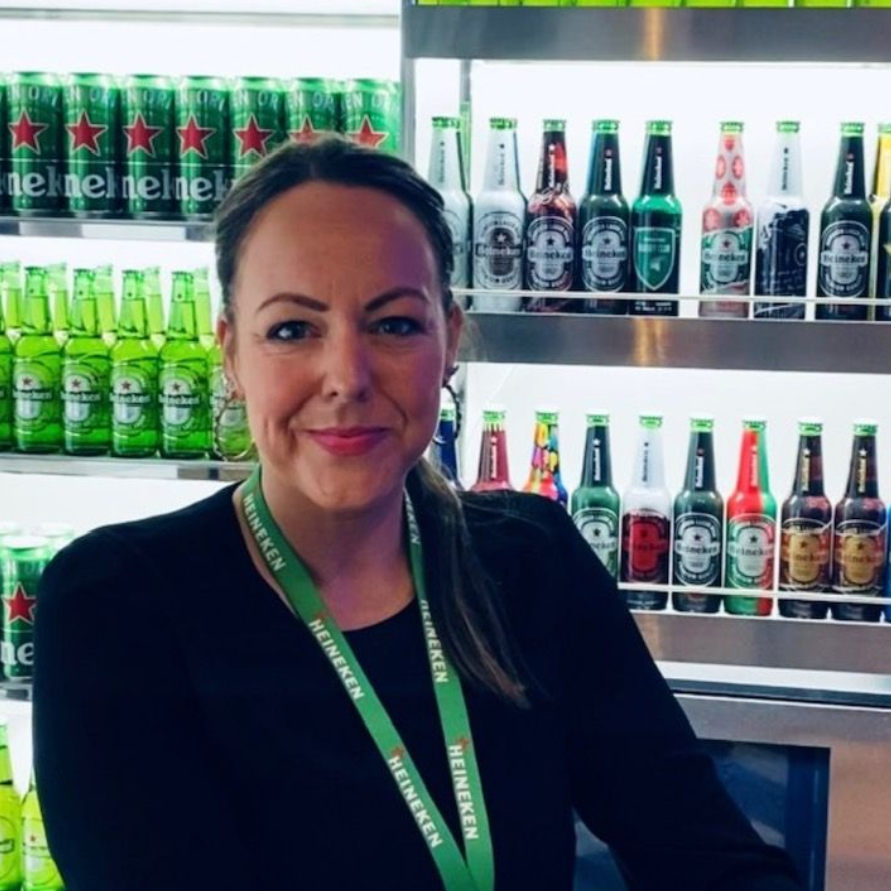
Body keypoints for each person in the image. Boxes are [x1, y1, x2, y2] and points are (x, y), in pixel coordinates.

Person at [33, 136, 803, 891]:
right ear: (232, 354)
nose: (347, 375)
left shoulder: (528, 560)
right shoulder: (117, 600)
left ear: (450, 339)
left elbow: (707, 851)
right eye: (292, 329)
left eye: (394, 323)